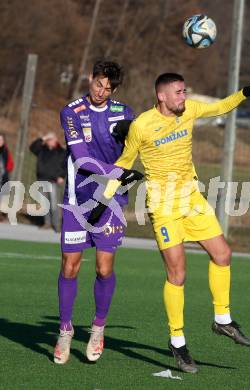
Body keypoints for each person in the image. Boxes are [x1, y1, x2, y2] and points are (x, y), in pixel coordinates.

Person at [97, 74, 250, 373]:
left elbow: (220, 108)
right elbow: (125, 162)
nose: (183, 96)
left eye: (184, 91)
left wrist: (245, 93)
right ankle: (177, 342)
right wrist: (104, 199)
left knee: (223, 255)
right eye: (178, 92)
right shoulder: (142, 125)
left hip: (191, 199)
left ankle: (223, 320)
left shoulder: (189, 110)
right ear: (161, 96)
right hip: (163, 207)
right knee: (177, 274)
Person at [54, 59, 142, 365]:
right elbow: (80, 158)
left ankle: (97, 328)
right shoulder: (71, 112)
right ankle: (65, 331)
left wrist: (126, 173)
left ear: (115, 88)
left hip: (112, 201)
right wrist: (117, 173)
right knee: (70, 266)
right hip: (78, 199)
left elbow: (134, 149)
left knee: (104, 268)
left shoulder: (124, 114)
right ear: (90, 79)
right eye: (97, 84)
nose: (101, 91)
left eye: (108, 87)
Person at [30, 132, 66, 231]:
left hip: (53, 181)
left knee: (54, 204)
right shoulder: (41, 150)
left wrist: (62, 176)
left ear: (56, 140)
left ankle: (57, 225)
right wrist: (43, 137)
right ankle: (47, 223)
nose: (50, 141)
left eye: (52, 139)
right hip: (42, 180)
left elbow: (65, 166)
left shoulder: (61, 152)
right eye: (48, 140)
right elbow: (32, 148)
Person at [0, 133, 14, 222]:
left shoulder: (5, 151)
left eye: (1, 140)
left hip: (3, 178)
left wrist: (6, 171)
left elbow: (10, 164)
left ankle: (2, 215)